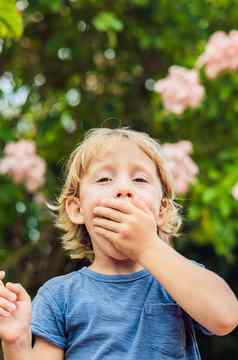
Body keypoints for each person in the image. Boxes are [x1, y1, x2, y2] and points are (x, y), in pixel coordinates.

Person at [1, 127, 238, 360]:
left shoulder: (180, 279)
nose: (124, 189)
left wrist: (147, 246)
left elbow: (225, 317)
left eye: (140, 179)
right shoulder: (59, 295)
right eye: (104, 178)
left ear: (161, 211)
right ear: (77, 209)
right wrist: (16, 344)